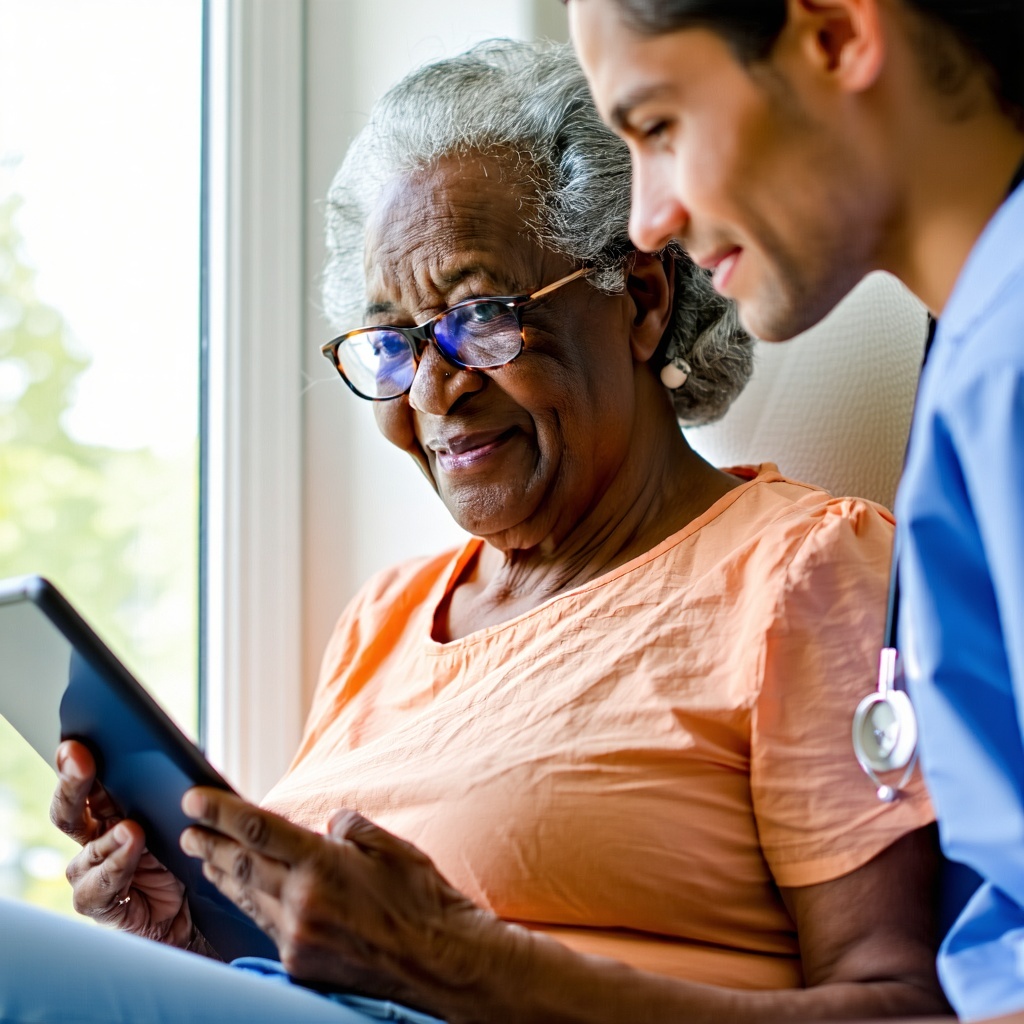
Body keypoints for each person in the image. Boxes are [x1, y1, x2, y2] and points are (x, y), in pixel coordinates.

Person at [0, 40, 943, 1024]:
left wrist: (459, 962)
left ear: (643, 299)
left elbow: (910, 1009)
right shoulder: (387, 617)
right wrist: (193, 939)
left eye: (481, 315)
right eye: (391, 342)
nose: (436, 388)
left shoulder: (801, 572)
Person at [566, 1, 1024, 1021]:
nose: (647, 218)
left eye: (658, 127)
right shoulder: (974, 353)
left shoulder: (1008, 365)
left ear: (833, 36)